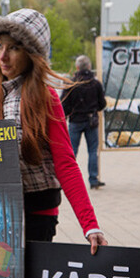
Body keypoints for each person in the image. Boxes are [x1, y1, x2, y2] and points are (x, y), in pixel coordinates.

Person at [0, 8, 107, 254]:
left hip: (37, 216)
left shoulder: (46, 99)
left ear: (31, 53)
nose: (3, 56)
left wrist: (90, 226)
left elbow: (66, 164)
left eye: (14, 48)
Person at [60, 55, 107, 189]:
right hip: (91, 121)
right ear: (89, 67)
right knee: (92, 151)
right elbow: (102, 104)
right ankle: (93, 180)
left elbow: (63, 104)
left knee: (71, 152)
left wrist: (68, 115)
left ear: (77, 67)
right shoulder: (96, 84)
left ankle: (68, 181)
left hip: (75, 121)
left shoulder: (71, 83)